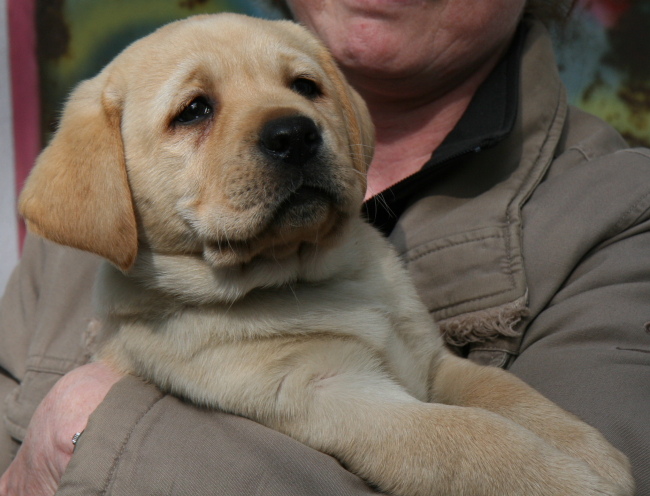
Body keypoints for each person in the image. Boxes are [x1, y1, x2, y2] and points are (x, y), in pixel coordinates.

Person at [1, 0, 649, 494]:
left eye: (305, 89)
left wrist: (91, 432)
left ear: (346, 121)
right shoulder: (85, 222)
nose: (289, 127)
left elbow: (433, 379)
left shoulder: (620, 214)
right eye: (196, 111)